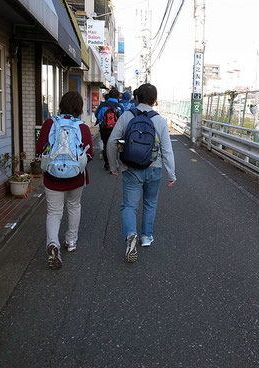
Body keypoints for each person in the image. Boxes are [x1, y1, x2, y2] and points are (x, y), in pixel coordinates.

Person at [106, 83, 176, 263]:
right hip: (154, 167)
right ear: (155, 101)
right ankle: (146, 237)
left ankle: (130, 235)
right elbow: (167, 150)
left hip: (131, 168)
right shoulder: (160, 120)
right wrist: (171, 174)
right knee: (150, 203)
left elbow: (112, 141)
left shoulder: (127, 116)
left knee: (129, 206)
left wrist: (113, 165)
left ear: (136, 98)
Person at [36, 91, 94, 269]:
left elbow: (39, 149)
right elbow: (89, 154)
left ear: (61, 105)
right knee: (74, 206)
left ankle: (53, 244)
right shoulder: (82, 128)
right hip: (76, 178)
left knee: (54, 212)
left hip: (52, 178)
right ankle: (71, 242)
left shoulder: (49, 124)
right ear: (79, 108)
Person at [95, 88, 123, 171]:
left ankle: (107, 164)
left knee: (106, 145)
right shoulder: (120, 106)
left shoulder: (103, 105)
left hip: (104, 129)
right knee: (116, 146)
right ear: (117, 97)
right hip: (116, 130)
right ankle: (115, 163)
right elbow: (123, 119)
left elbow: (97, 115)